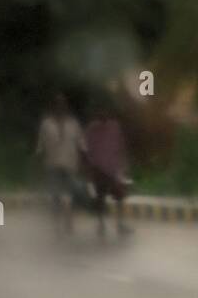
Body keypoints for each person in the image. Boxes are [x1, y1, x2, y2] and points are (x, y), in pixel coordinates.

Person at [35, 92, 86, 237]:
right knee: (55, 195)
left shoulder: (73, 124)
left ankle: (69, 221)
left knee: (70, 195)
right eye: (57, 104)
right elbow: (40, 146)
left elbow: (81, 144)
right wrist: (38, 165)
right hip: (52, 164)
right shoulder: (46, 124)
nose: (60, 107)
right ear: (53, 106)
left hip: (70, 164)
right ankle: (56, 224)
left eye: (62, 104)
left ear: (66, 106)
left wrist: (84, 163)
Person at [84, 99, 132, 239]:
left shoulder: (115, 127)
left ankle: (120, 224)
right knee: (100, 198)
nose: (103, 114)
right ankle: (101, 224)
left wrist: (124, 166)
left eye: (105, 112)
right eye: (100, 112)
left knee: (120, 196)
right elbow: (87, 150)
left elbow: (121, 147)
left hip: (113, 169)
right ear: (97, 113)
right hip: (98, 170)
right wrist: (90, 168)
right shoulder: (91, 129)